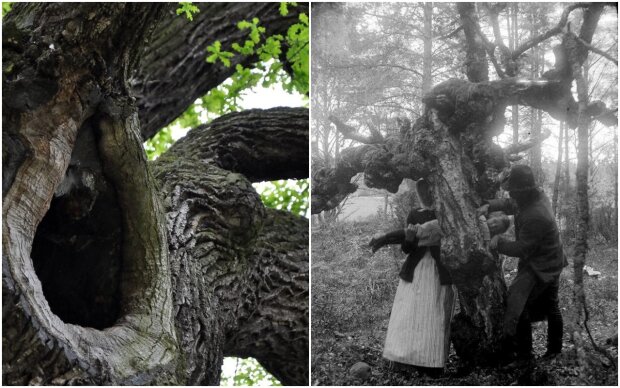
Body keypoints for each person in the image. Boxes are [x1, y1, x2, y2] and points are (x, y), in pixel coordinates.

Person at [368, 180, 508, 377]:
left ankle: (430, 362)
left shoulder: (446, 215)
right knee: (409, 313)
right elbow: (408, 247)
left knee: (434, 313)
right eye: (422, 192)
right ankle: (404, 358)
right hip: (414, 272)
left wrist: (386, 237)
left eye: (428, 191)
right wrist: (406, 238)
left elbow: (426, 232)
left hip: (438, 272)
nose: (425, 195)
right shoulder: (415, 213)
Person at [477, 164, 567, 367]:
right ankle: (552, 351)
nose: (512, 195)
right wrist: (489, 205)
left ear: (522, 191)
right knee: (550, 305)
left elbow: (522, 249)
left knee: (520, 305)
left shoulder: (536, 214)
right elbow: (509, 204)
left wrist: (498, 243)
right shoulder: (532, 196)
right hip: (551, 256)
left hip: (542, 264)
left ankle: (526, 357)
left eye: (514, 191)